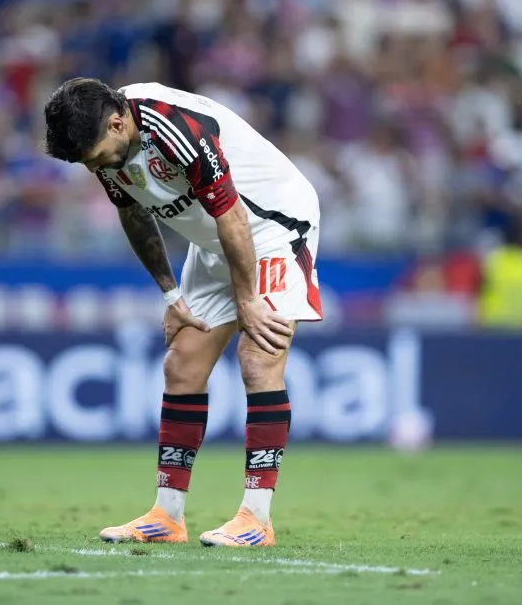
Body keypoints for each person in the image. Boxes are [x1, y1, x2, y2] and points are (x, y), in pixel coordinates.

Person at [43, 78, 322, 547]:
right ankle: (167, 517)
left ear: (117, 121)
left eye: (96, 156)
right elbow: (133, 213)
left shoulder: (174, 127)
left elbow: (232, 214)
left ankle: (256, 518)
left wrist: (249, 299)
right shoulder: (104, 140)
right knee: (182, 365)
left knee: (258, 358)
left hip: (272, 227)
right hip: (215, 239)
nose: (96, 167)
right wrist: (172, 296)